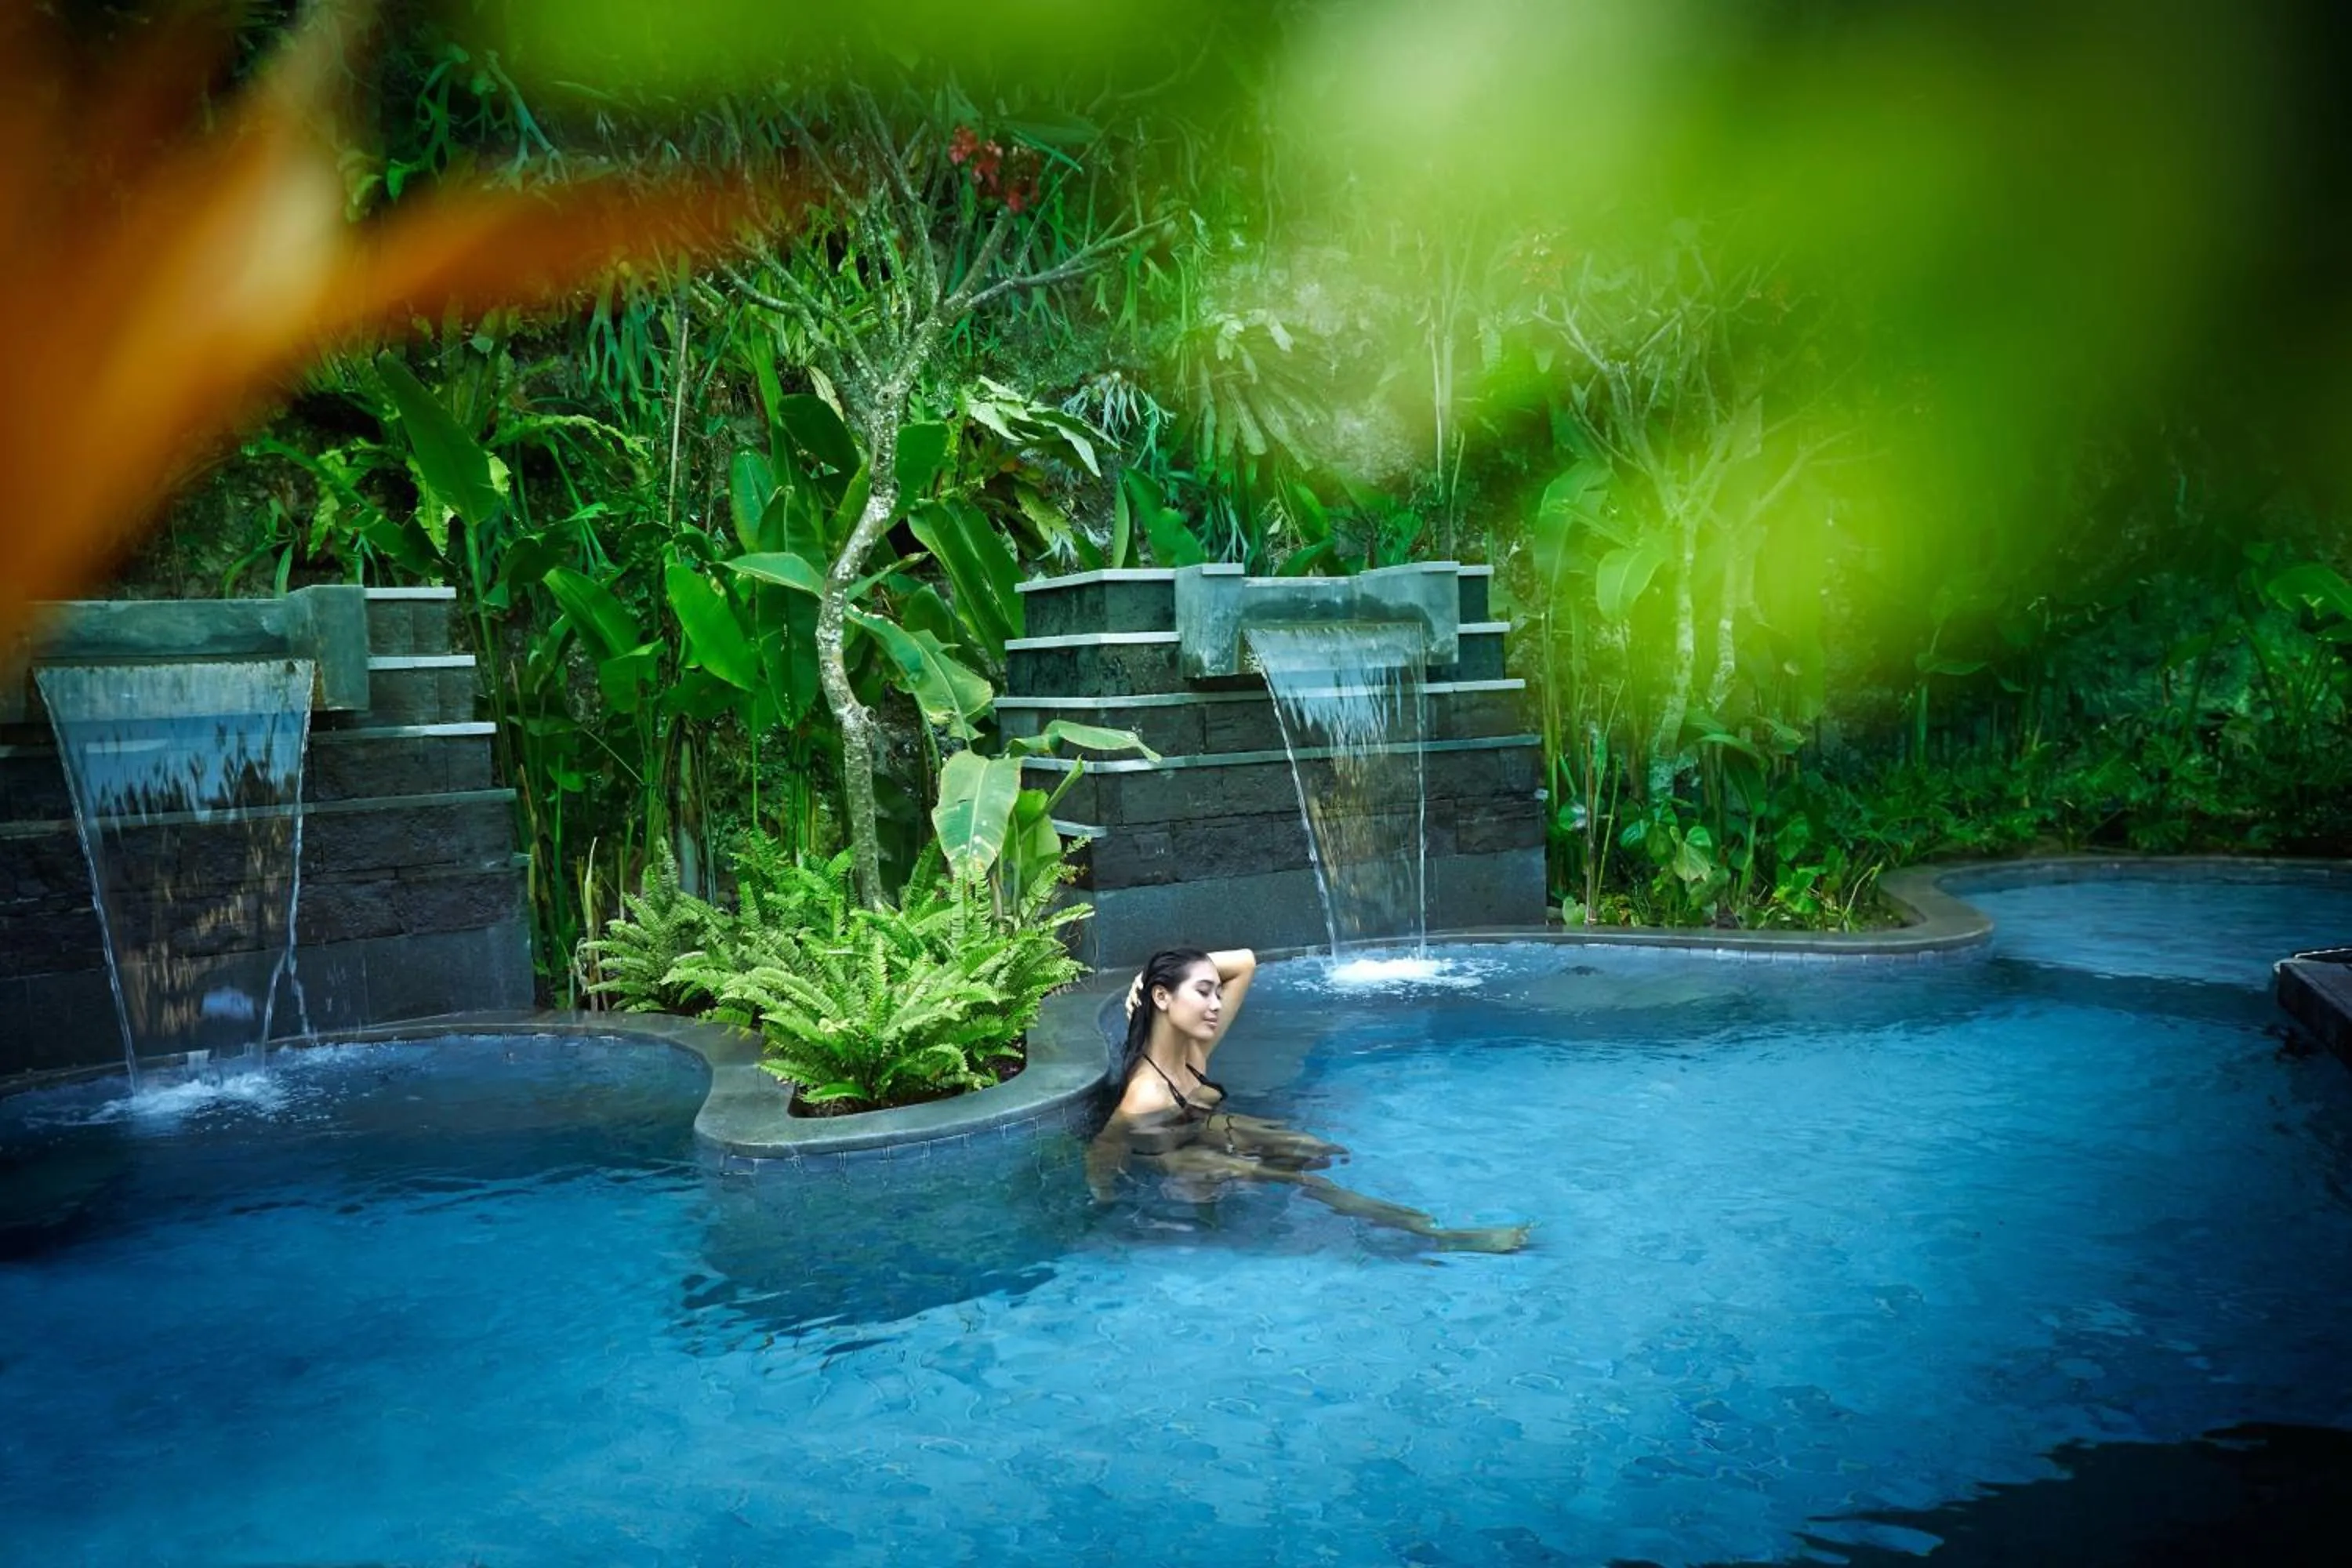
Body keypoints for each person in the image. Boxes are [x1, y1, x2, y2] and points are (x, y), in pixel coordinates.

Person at [1086, 946, 1530, 1254]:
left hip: (1204, 1129)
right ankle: (1440, 1236)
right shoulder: (1145, 1093)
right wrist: (1103, 1198)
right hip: (1175, 1160)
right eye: (1204, 991)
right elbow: (1107, 1147)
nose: (1217, 1002)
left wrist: (1149, 976)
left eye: (1216, 991)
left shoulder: (1195, 1050)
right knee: (1307, 1183)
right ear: (1163, 999)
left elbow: (1244, 961)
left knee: (1317, 1152)